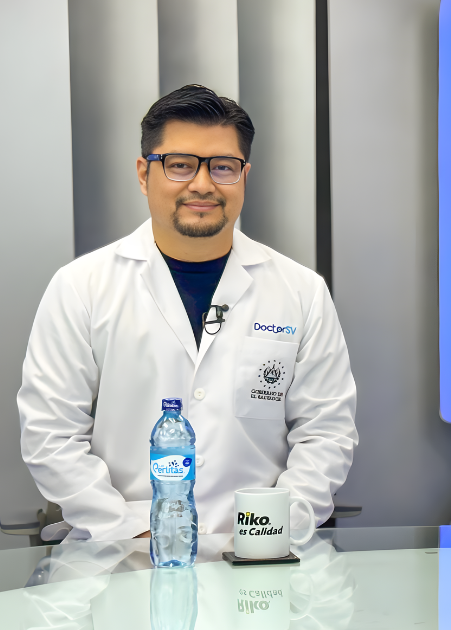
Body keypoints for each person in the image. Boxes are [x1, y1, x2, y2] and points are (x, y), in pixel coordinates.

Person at [19, 85, 357, 542]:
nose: (202, 184)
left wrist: (276, 528)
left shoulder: (301, 291)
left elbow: (326, 433)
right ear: (144, 174)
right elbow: (50, 433)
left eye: (223, 167)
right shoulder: (81, 287)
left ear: (244, 176)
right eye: (180, 165)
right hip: (123, 555)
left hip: (261, 556)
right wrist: (131, 531)